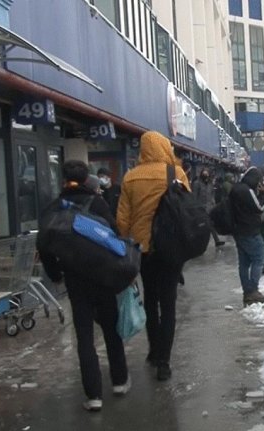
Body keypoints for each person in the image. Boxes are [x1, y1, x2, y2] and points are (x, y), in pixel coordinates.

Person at [38, 160, 130, 412]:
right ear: (88, 180)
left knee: (85, 337)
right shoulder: (97, 203)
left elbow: (43, 243)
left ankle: (93, 396)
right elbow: (115, 232)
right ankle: (120, 381)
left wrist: (55, 273)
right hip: (103, 278)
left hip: (75, 281)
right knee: (111, 330)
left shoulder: (55, 207)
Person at [116, 131, 189, 381]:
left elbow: (122, 220)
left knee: (150, 300)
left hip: (142, 251)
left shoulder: (130, 178)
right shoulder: (176, 174)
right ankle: (164, 362)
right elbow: (186, 210)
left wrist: (127, 241)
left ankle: (154, 350)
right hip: (170, 249)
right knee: (168, 304)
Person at [230, 167, 264, 306]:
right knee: (259, 258)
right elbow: (259, 207)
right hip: (250, 231)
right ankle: (253, 290)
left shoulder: (236, 189)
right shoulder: (247, 191)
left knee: (244, 263)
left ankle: (247, 292)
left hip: (238, 230)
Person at [191, 168, 224, 247]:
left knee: (210, 224)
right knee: (200, 226)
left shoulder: (210, 184)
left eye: (207, 174)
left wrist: (213, 204)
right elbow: (194, 196)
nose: (206, 175)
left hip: (209, 208)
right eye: (204, 173)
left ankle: (216, 241)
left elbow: (212, 195)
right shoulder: (197, 184)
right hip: (200, 208)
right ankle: (197, 242)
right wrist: (195, 208)